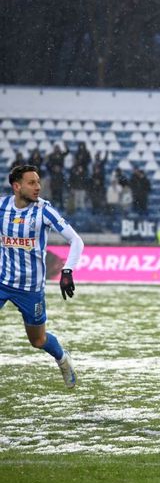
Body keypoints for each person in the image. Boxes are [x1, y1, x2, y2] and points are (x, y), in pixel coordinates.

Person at [1, 165, 84, 388]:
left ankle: (63, 359)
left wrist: (67, 271)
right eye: (32, 183)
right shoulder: (1, 206)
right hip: (2, 281)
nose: (38, 187)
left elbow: (76, 240)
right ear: (16, 186)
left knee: (38, 340)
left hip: (30, 289)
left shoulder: (44, 210)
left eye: (38, 182)